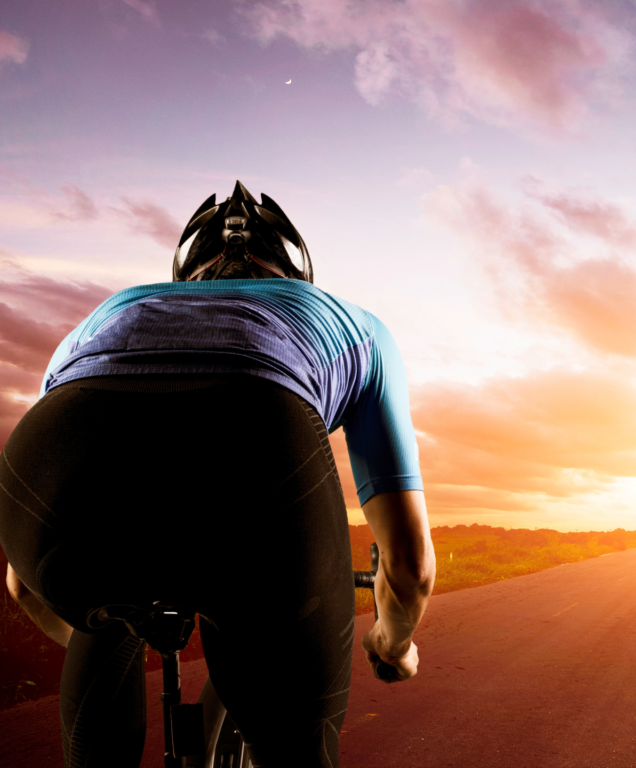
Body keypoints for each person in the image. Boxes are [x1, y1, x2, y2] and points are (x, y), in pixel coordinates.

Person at [0, 181, 436, 768]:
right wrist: (393, 645)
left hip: (65, 447)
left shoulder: (108, 312)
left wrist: (120, 623)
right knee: (296, 746)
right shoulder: (354, 323)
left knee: (100, 620)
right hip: (258, 443)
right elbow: (409, 565)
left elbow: (23, 586)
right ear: (299, 275)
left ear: (183, 277)